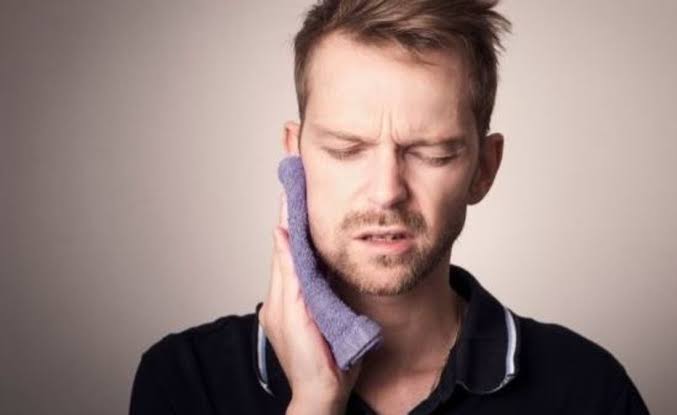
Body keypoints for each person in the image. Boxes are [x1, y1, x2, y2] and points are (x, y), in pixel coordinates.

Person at [130, 1, 650, 414]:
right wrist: (314, 403)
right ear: (295, 156)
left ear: (484, 169)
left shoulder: (587, 390)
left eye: (432, 153)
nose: (386, 192)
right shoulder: (187, 381)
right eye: (346, 150)